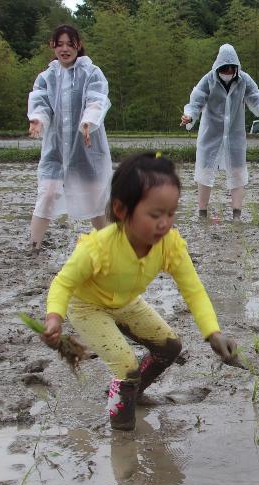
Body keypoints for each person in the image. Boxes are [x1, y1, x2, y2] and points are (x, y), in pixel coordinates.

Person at [41, 153, 240, 431]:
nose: (164, 223)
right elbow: (63, 284)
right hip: (87, 307)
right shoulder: (97, 248)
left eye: (171, 214)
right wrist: (54, 318)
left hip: (125, 302)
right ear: (122, 211)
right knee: (126, 368)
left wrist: (213, 332)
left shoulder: (169, 245)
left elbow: (193, 290)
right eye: (155, 214)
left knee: (169, 347)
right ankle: (122, 435)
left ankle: (132, 393)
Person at [27, 25, 111, 253]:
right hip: (55, 149)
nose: (64, 49)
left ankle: (108, 245)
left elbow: (97, 99)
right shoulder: (46, 77)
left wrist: (88, 121)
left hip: (87, 146)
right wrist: (37, 119)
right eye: (59, 44)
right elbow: (40, 103)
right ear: (52, 46)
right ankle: (33, 246)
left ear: (78, 45)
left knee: (95, 199)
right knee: (47, 193)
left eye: (69, 43)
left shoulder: (91, 73)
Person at [181, 44, 259, 221]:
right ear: (218, 67)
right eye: (225, 68)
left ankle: (237, 214)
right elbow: (195, 102)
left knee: (238, 171)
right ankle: (202, 212)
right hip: (210, 134)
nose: (228, 71)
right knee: (205, 170)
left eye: (232, 68)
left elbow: (256, 97)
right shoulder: (208, 80)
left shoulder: (244, 80)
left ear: (236, 68)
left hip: (234, 135)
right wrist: (189, 116)